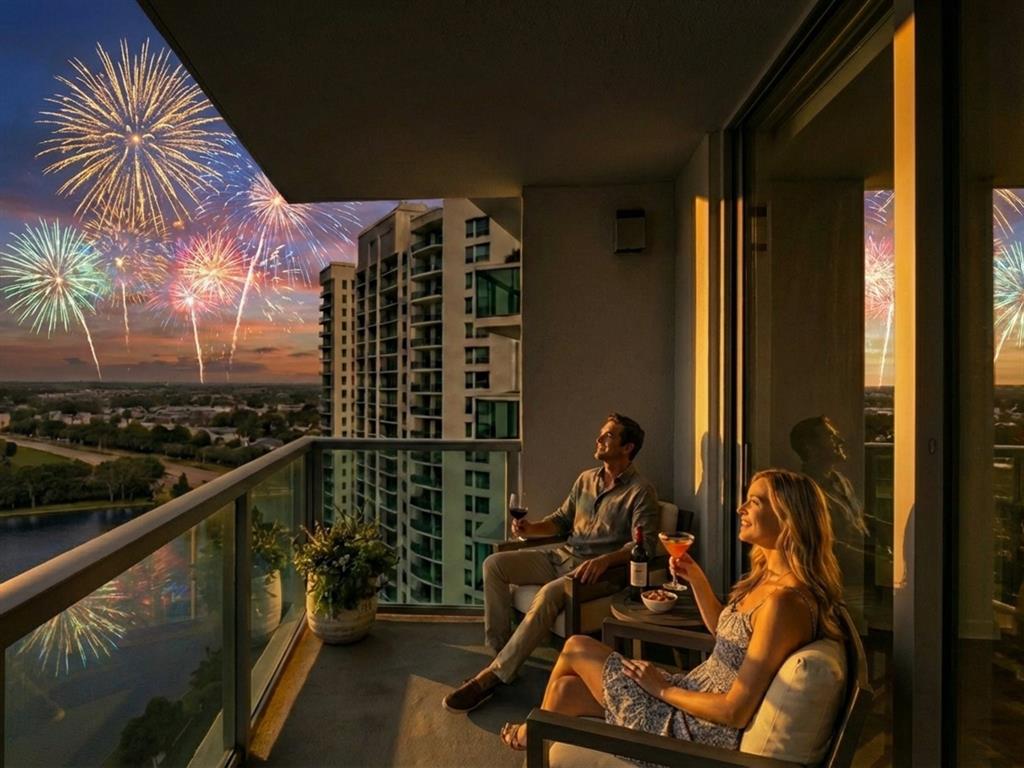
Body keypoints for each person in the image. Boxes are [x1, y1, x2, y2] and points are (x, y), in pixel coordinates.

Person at [498, 469, 845, 752]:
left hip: (696, 729)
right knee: (562, 693)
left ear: (788, 518)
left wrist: (660, 688)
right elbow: (728, 636)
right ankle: (534, 742)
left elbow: (735, 712)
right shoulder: (767, 579)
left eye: (754, 502)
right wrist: (696, 578)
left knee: (576, 646)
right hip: (691, 692)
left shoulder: (786, 603)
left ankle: (530, 737)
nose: (741, 509)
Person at [442, 413, 662, 714]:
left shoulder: (641, 491)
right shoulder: (586, 479)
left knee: (547, 594)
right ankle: (501, 654)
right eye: (601, 433)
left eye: (608, 435)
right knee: (494, 565)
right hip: (561, 556)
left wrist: (606, 559)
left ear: (628, 447)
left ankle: (492, 677)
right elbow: (560, 521)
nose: (599, 439)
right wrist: (530, 529)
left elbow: (644, 545)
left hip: (594, 573)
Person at [790, 415, 868, 629]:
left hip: (861, 577)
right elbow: (830, 546)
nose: (840, 441)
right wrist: (874, 564)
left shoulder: (839, 481)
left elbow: (858, 520)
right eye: (831, 437)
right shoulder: (807, 492)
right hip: (840, 584)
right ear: (810, 447)